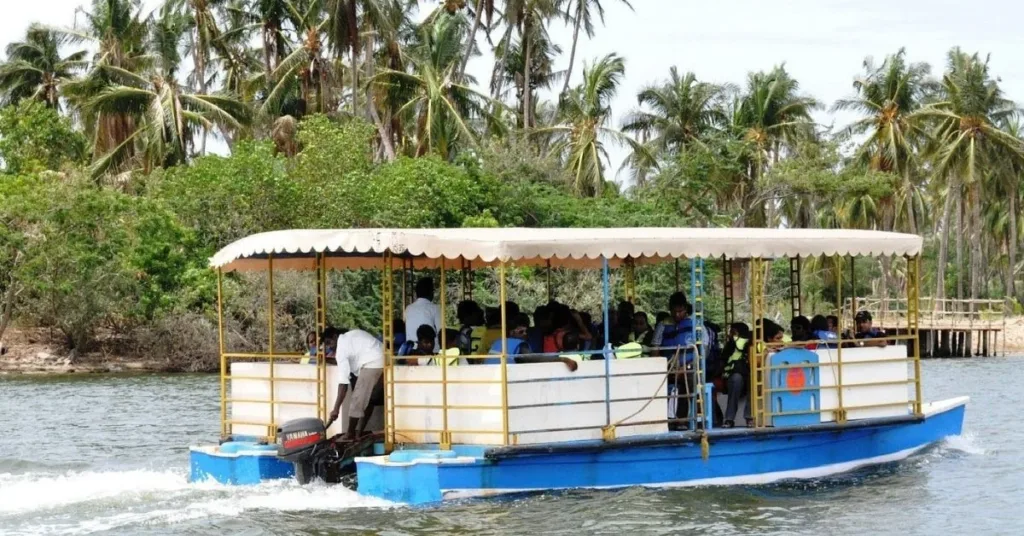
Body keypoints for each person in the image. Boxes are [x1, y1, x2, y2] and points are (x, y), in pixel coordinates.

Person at [328, 328, 385, 440]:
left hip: (373, 362)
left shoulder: (341, 347)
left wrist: (336, 409)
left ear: (335, 337)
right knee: (370, 399)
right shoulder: (349, 336)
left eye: (329, 343)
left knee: (357, 399)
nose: (329, 347)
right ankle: (358, 431)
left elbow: (343, 383)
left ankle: (350, 433)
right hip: (381, 356)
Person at [486, 313, 578, 371]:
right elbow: (534, 358)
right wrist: (563, 359)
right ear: (511, 332)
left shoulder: (497, 342)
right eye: (521, 332)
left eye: (526, 331)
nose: (525, 334)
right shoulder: (518, 345)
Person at [721, 323, 752, 428]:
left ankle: (750, 417)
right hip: (733, 377)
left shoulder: (751, 344)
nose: (730, 335)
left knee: (754, 381)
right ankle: (729, 419)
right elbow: (723, 361)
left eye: (733, 332)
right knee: (736, 379)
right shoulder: (730, 345)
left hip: (749, 376)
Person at [404, 277, 441, 349]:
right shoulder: (435, 308)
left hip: (411, 350)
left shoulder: (408, 308)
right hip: (430, 350)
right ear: (431, 292)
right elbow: (441, 332)